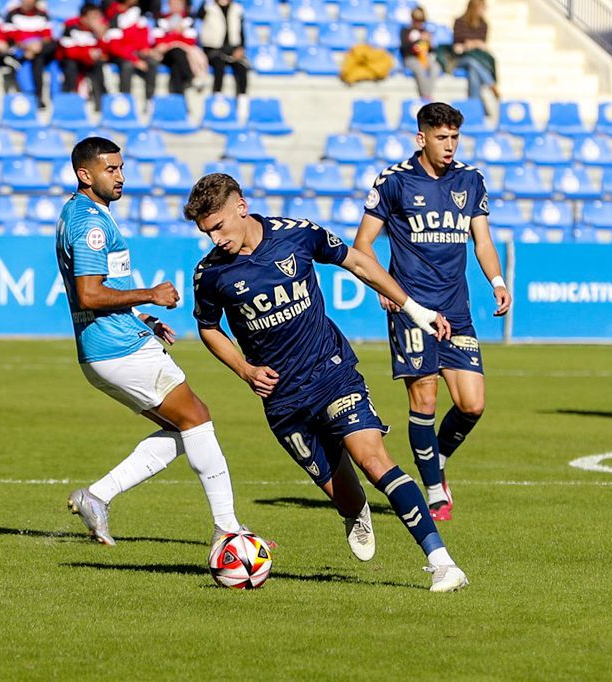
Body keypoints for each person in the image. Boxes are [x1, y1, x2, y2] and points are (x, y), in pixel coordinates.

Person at [184, 173, 468, 593]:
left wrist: (414, 309)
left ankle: (442, 563)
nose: (215, 238)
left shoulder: (296, 234)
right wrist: (245, 370)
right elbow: (208, 328)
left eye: (219, 226)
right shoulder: (210, 274)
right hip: (282, 400)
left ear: (240, 207)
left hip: (331, 372)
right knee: (348, 497)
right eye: (207, 232)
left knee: (374, 462)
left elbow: (357, 260)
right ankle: (354, 512)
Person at [57, 137, 247, 546]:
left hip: (106, 347)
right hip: (118, 347)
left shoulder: (81, 213)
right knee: (197, 418)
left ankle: (97, 496)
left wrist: (142, 317)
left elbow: (100, 288)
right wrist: (150, 295)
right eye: (111, 170)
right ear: (84, 175)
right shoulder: (89, 223)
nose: (121, 176)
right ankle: (228, 530)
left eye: (121, 167)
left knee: (185, 430)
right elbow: (88, 293)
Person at [353, 102, 511, 521]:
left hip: (456, 310)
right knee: (425, 397)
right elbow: (363, 244)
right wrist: (384, 288)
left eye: (455, 137)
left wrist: (496, 281)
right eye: (442, 138)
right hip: (412, 308)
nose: (450, 146)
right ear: (421, 138)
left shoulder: (470, 180)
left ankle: (435, 459)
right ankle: (433, 487)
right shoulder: (394, 182)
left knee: (472, 403)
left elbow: (483, 241)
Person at [3, 0, 57, 109]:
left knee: (45, 53)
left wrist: (36, 46)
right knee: (35, 59)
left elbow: (47, 37)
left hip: (38, 50)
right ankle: (34, 97)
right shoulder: (12, 14)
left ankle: (40, 97)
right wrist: (27, 47)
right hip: (20, 50)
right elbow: (10, 37)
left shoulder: (43, 14)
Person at [105, 0, 159, 105]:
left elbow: (144, 39)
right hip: (121, 55)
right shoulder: (116, 19)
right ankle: (125, 100)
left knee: (153, 63)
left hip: (137, 54)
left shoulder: (140, 18)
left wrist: (146, 50)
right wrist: (135, 60)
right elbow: (115, 47)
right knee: (127, 66)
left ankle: (150, 100)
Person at [58, 3, 109, 111]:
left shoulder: (100, 29)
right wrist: (87, 54)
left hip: (90, 62)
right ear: (83, 18)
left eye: (98, 16)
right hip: (72, 61)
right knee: (71, 65)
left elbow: (105, 53)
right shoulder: (70, 26)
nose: (96, 20)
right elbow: (69, 52)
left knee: (98, 66)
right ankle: (70, 101)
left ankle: (101, 104)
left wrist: (101, 36)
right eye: (93, 17)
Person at [153, 0, 209, 95]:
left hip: (182, 56)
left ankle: (177, 96)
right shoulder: (161, 20)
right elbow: (158, 41)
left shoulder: (188, 20)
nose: (175, 6)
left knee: (177, 64)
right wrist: (176, 33)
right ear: (169, 5)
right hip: (165, 55)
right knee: (176, 51)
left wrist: (171, 36)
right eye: (173, 4)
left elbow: (190, 41)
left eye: (178, 4)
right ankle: (190, 77)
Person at [451, 0, 498, 107]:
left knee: (473, 72)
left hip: (477, 58)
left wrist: (471, 44)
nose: (484, 10)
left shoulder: (484, 24)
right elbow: (457, 46)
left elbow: (482, 44)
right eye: (482, 7)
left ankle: (474, 105)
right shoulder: (459, 22)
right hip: (460, 59)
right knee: (471, 62)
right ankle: (491, 84)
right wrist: (473, 44)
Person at [198, 0, 248, 97]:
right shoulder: (209, 7)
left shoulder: (237, 9)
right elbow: (199, 15)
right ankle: (217, 95)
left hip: (232, 49)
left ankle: (243, 99)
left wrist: (240, 48)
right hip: (213, 49)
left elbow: (241, 32)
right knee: (219, 64)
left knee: (242, 67)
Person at [401, 6, 441, 100]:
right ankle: (426, 96)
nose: (419, 22)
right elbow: (405, 48)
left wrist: (430, 43)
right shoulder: (405, 31)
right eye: (417, 19)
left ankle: (427, 93)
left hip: (425, 57)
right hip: (411, 58)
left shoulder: (426, 32)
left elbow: (432, 51)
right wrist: (418, 39)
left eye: (421, 20)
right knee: (419, 68)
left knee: (435, 67)